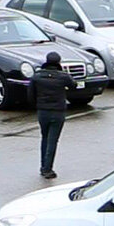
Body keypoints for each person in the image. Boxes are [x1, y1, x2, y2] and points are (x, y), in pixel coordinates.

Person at [31, 51, 76, 179]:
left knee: (44, 138)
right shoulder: (63, 77)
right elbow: (73, 85)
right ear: (58, 62)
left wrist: (38, 105)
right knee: (53, 140)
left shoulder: (37, 76)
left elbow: (31, 95)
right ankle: (48, 169)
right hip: (58, 112)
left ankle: (43, 166)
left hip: (42, 111)